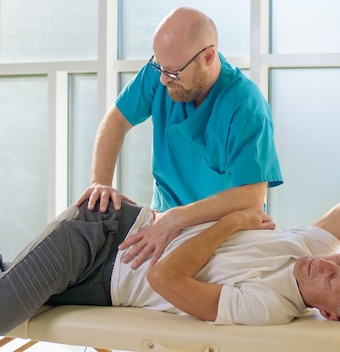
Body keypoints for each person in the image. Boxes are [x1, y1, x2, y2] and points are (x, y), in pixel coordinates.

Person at [0, 179, 340, 336]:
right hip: (105, 233)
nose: (325, 264)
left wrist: (235, 222)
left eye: (333, 280)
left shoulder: (269, 306)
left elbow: (168, 277)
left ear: (327, 314)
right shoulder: (310, 247)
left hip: (106, 281)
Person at [76, 7, 283, 269]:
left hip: (225, 235)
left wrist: (179, 218)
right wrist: (99, 183)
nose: (163, 80)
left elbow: (251, 196)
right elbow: (116, 121)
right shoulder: (162, 71)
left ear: (208, 56)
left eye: (172, 73)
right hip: (162, 222)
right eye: (160, 67)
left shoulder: (246, 107)